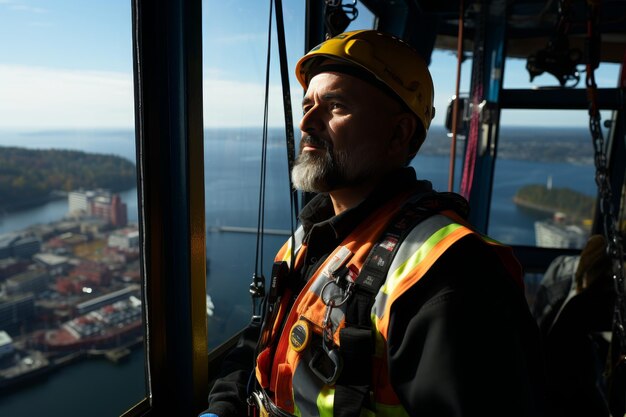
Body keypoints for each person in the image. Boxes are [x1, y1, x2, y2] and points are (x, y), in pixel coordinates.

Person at [201, 29, 546, 417]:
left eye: (335, 106)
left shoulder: (451, 276)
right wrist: (224, 406)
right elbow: (264, 339)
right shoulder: (310, 238)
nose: (307, 122)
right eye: (307, 105)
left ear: (398, 134)